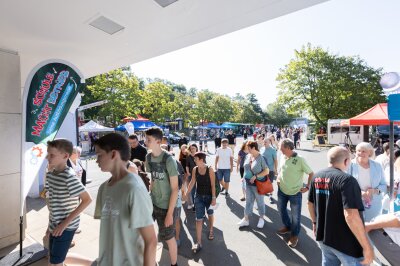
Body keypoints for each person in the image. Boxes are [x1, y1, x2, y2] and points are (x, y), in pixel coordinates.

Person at [94, 133, 157, 266]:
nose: (96, 160)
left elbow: (150, 240)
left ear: (113, 154)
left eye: (99, 155)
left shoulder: (134, 188)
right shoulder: (103, 188)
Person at [308, 146, 374, 265]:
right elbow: (351, 215)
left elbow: (310, 203)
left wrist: (314, 223)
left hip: (324, 237)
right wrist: (367, 247)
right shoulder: (347, 180)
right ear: (346, 161)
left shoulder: (316, 176)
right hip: (346, 243)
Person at [45, 139, 92, 266]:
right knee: (54, 256)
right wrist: (49, 226)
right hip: (54, 223)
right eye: (47, 153)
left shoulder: (69, 176)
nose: (46, 157)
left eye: (51, 155)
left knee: (55, 260)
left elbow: (87, 199)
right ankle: (92, 263)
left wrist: (64, 224)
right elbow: (51, 200)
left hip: (66, 226)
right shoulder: (50, 174)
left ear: (65, 156)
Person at [145, 127, 179, 266]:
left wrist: (170, 214)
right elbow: (152, 179)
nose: (145, 141)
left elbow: (175, 189)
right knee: (144, 233)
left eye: (148, 139)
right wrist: (148, 195)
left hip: (167, 207)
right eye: (145, 138)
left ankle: (174, 264)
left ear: (158, 141)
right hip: (152, 203)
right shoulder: (148, 157)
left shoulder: (169, 160)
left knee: (168, 238)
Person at [277, 138, 314, 248]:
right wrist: (278, 178)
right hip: (282, 190)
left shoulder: (300, 159)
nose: (280, 151)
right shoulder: (282, 156)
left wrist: (307, 186)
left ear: (288, 148)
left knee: (295, 216)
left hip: (295, 192)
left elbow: (311, 173)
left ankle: (294, 235)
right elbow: (281, 170)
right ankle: (288, 226)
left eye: (282, 149)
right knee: (281, 210)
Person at [185, 152, 217, 252]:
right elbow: (192, 182)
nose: (194, 160)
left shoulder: (210, 169)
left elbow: (213, 185)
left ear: (201, 160)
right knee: (199, 219)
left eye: (195, 159)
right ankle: (198, 242)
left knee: (210, 214)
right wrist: (186, 193)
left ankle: (211, 230)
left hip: (209, 197)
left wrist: (214, 197)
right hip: (198, 197)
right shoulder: (195, 169)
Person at [348, 142, 387, 222]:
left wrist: (374, 191)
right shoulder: (350, 165)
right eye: (358, 151)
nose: (360, 153)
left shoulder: (377, 165)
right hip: (355, 203)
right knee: (357, 229)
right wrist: (359, 192)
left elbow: (384, 185)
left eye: (364, 151)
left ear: (370, 152)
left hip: (374, 205)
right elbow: (345, 185)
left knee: (372, 229)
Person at [237, 141, 270, 229]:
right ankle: (246, 219)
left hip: (258, 184)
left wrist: (256, 176)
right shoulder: (248, 156)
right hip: (248, 183)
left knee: (260, 202)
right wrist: (243, 177)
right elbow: (245, 168)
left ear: (254, 148)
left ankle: (261, 218)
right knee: (248, 201)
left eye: (249, 148)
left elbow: (267, 171)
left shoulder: (261, 158)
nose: (247, 150)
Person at [260, 138, 278, 204]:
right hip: (262, 169)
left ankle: (270, 195)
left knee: (270, 183)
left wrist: (275, 169)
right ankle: (262, 194)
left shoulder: (273, 150)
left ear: (269, 142)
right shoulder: (261, 149)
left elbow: (275, 160)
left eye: (266, 142)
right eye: (264, 142)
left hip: (270, 169)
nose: (264, 143)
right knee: (262, 182)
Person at [186, 143, 199, 210]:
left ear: (196, 148)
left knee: (199, 190)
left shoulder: (199, 155)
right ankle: (194, 205)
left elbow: (204, 164)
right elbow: (187, 166)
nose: (192, 149)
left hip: (200, 175)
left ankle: (199, 204)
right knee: (192, 190)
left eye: (194, 148)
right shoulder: (188, 157)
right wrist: (188, 172)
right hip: (192, 175)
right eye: (191, 148)